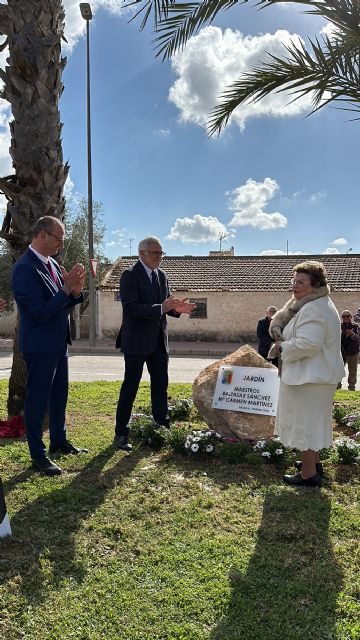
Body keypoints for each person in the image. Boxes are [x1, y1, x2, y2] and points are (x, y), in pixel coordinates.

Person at [11, 216, 87, 476]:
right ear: (42, 234)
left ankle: (59, 440)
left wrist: (75, 293)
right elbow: (40, 313)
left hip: (58, 343)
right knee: (37, 401)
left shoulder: (53, 263)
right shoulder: (24, 268)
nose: (61, 244)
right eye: (59, 238)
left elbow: (62, 302)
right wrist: (66, 291)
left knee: (59, 397)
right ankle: (38, 455)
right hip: (39, 346)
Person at [114, 236, 196, 451]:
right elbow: (131, 308)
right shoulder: (129, 275)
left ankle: (162, 426)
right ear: (142, 254)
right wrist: (162, 307)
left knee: (160, 385)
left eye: (161, 253)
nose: (159, 257)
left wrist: (177, 309)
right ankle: (121, 433)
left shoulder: (162, 275)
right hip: (136, 340)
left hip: (159, 340)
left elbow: (166, 305)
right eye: (155, 253)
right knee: (130, 386)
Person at [269, 261, 344, 487]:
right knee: (312, 422)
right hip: (313, 377)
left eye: (301, 282)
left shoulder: (315, 308)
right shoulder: (313, 303)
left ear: (315, 285)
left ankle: (309, 474)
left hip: (312, 378)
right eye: (294, 281)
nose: (295, 286)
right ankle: (313, 465)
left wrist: (280, 348)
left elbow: (308, 343)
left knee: (306, 424)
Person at [339, 310, 359, 391]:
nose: (346, 318)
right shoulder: (339, 326)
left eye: (348, 316)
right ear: (342, 318)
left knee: (353, 370)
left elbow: (358, 338)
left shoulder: (355, 326)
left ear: (351, 317)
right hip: (342, 352)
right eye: (344, 316)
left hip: (353, 351)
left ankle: (351, 387)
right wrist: (346, 336)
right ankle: (338, 385)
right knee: (339, 369)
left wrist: (352, 334)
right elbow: (338, 340)